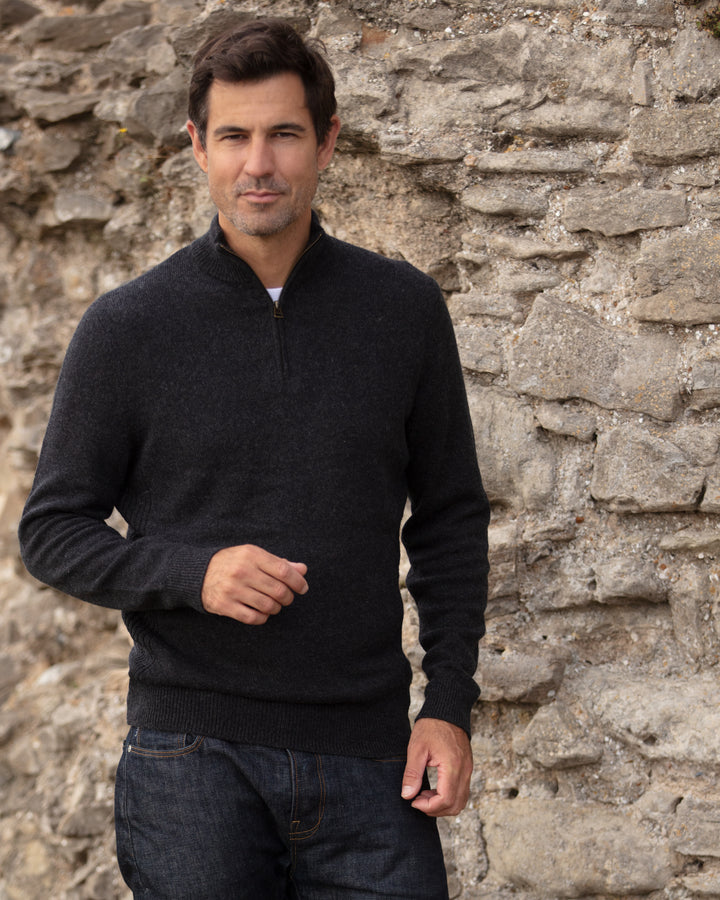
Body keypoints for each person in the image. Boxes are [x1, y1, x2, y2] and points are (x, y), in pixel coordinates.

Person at [18, 18, 490, 900]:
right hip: (190, 764)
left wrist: (448, 708)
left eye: (284, 134)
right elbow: (51, 531)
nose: (258, 164)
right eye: (234, 136)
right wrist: (193, 574)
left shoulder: (404, 311)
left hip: (370, 760)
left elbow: (451, 520)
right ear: (198, 145)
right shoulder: (127, 328)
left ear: (327, 142)